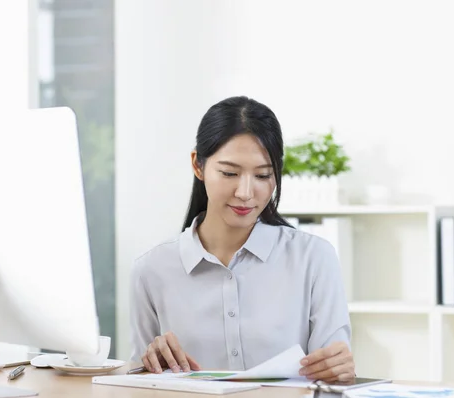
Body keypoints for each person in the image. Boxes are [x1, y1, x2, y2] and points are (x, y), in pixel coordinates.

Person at [129, 96, 355, 382]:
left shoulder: (314, 258)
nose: (246, 192)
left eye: (263, 175)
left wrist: (340, 371)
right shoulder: (151, 270)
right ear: (198, 165)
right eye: (229, 173)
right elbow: (137, 383)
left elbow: (333, 378)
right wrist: (148, 367)